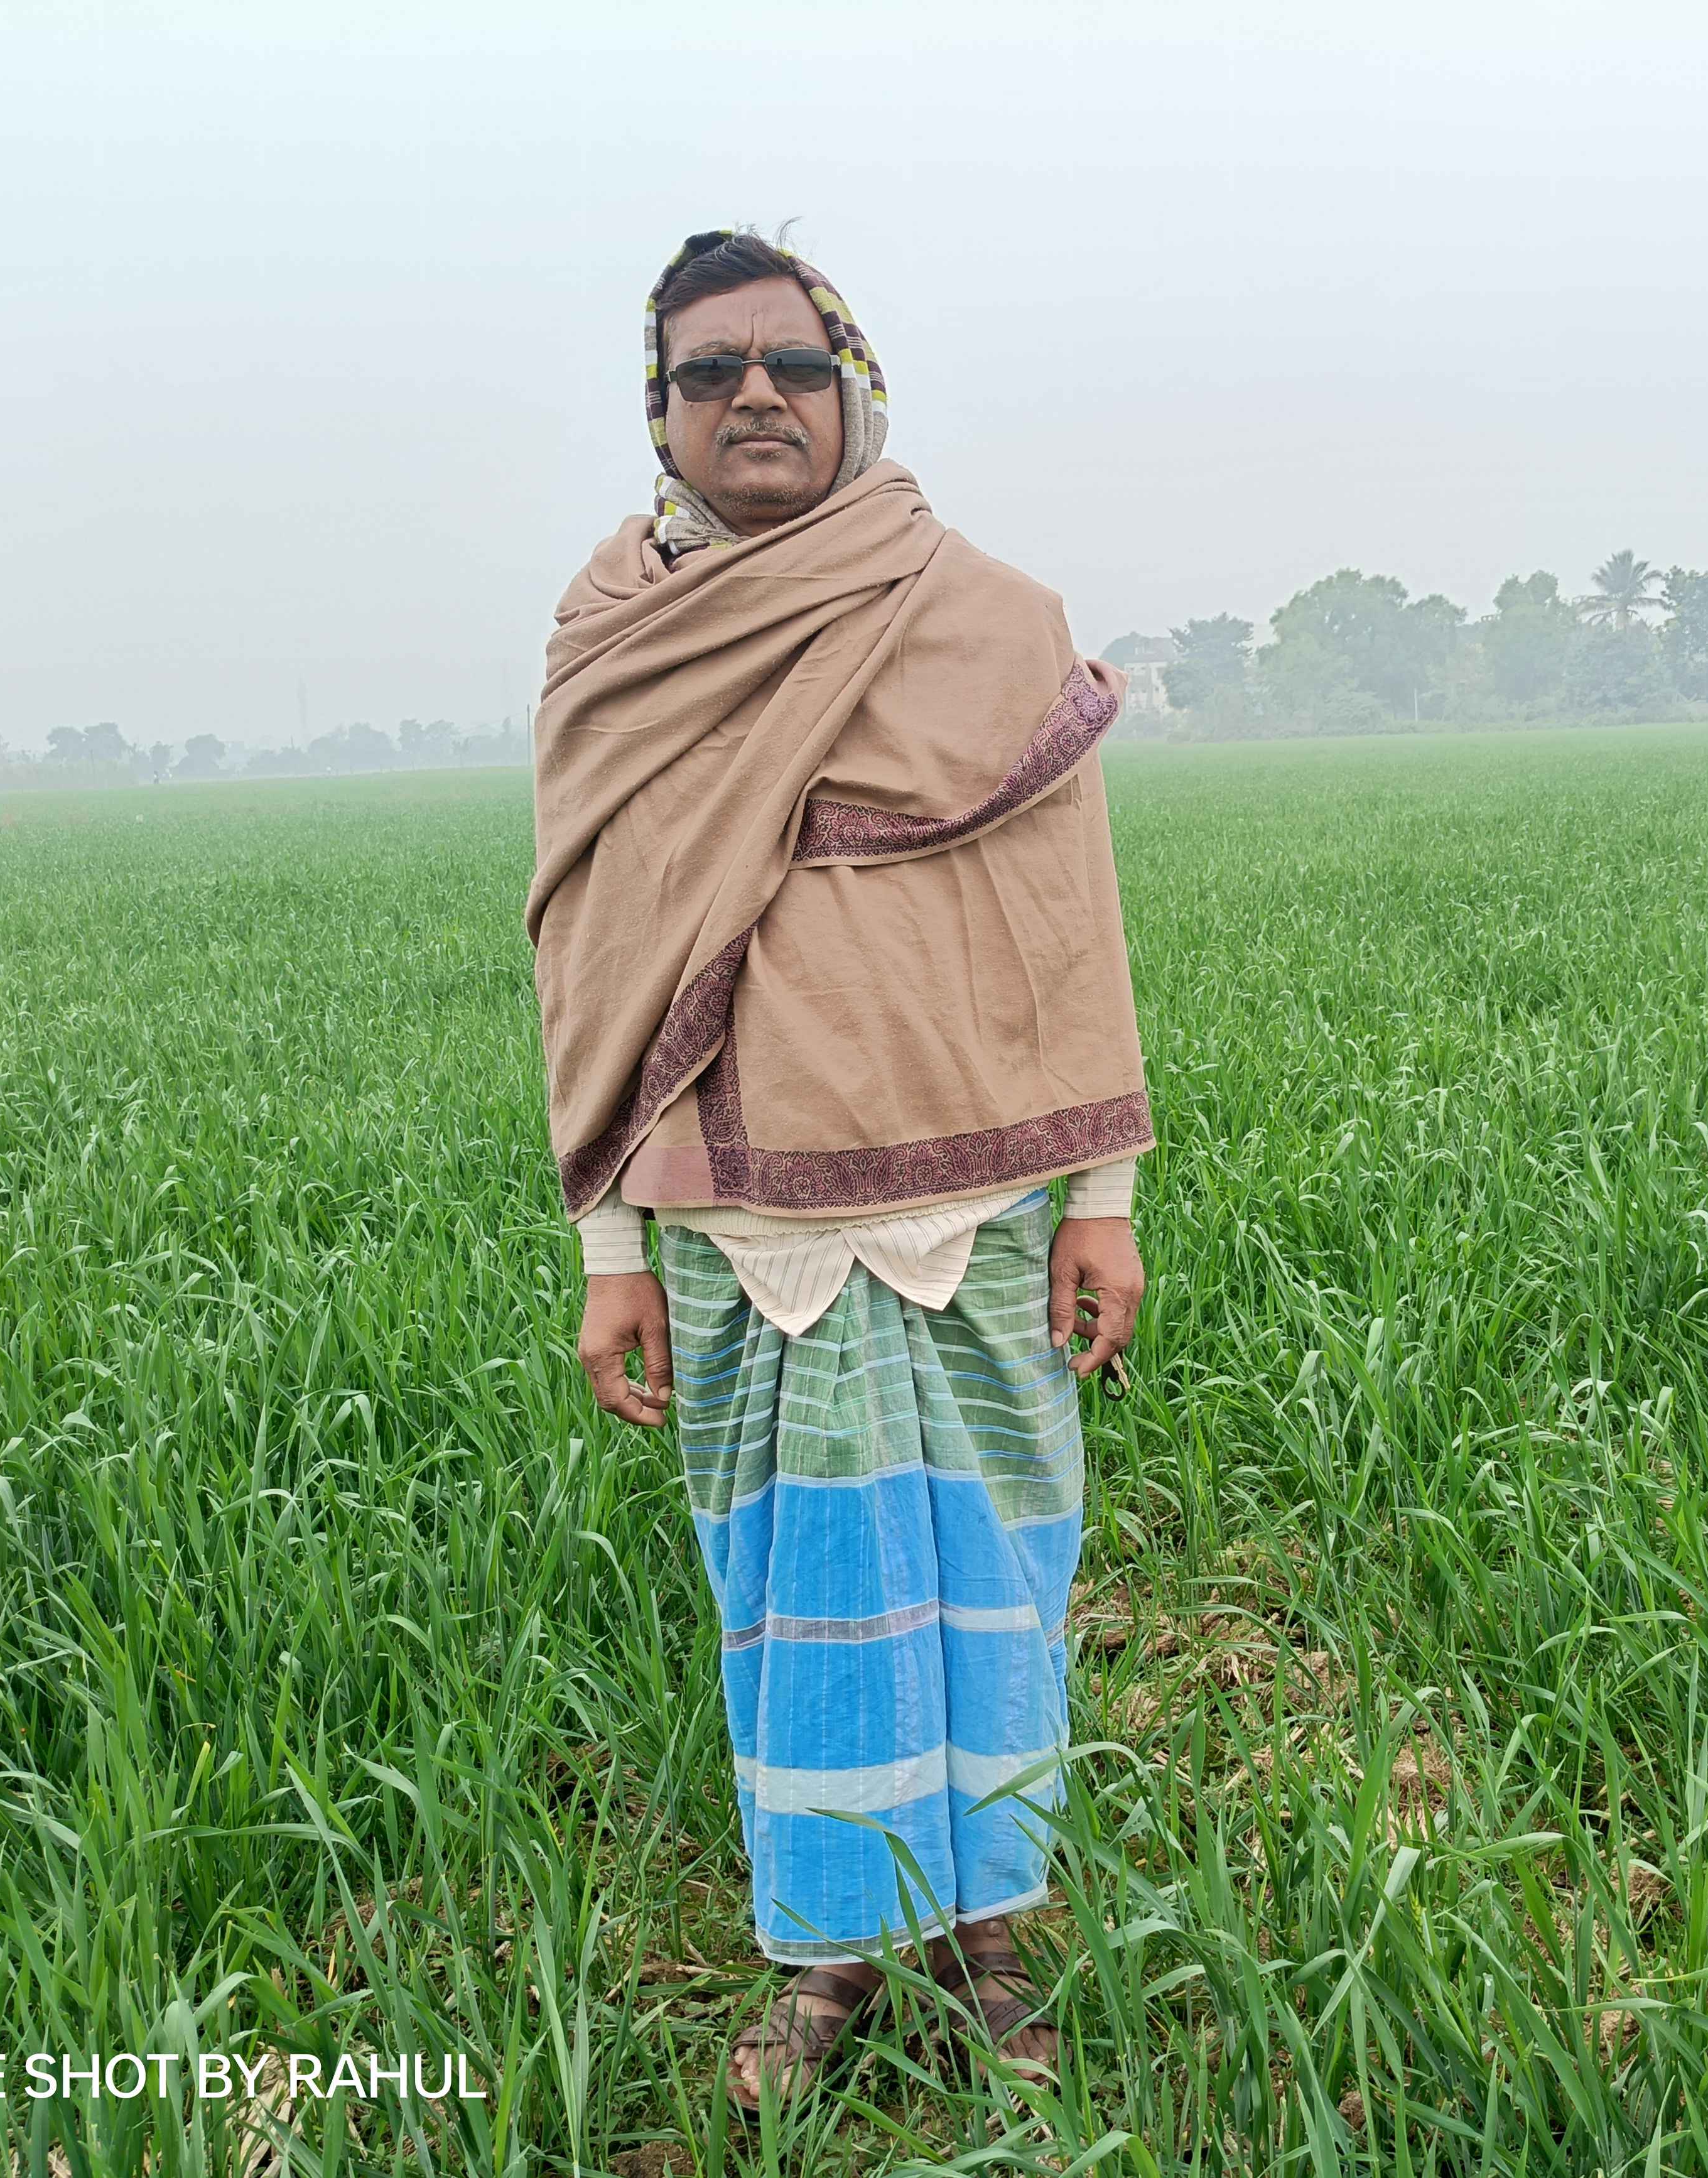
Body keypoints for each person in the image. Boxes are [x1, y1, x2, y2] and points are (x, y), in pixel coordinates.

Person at [523, 227, 1153, 2113]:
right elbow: (591, 955)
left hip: (976, 1205)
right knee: (797, 1599)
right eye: (707, 373)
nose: (755, 398)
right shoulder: (615, 638)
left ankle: (994, 1934)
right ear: (658, 412)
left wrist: (1105, 1200)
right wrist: (608, 1244)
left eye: (792, 364)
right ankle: (829, 1950)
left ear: (852, 388)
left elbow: (1069, 920)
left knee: (993, 1575)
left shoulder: (984, 617)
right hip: (737, 1222)